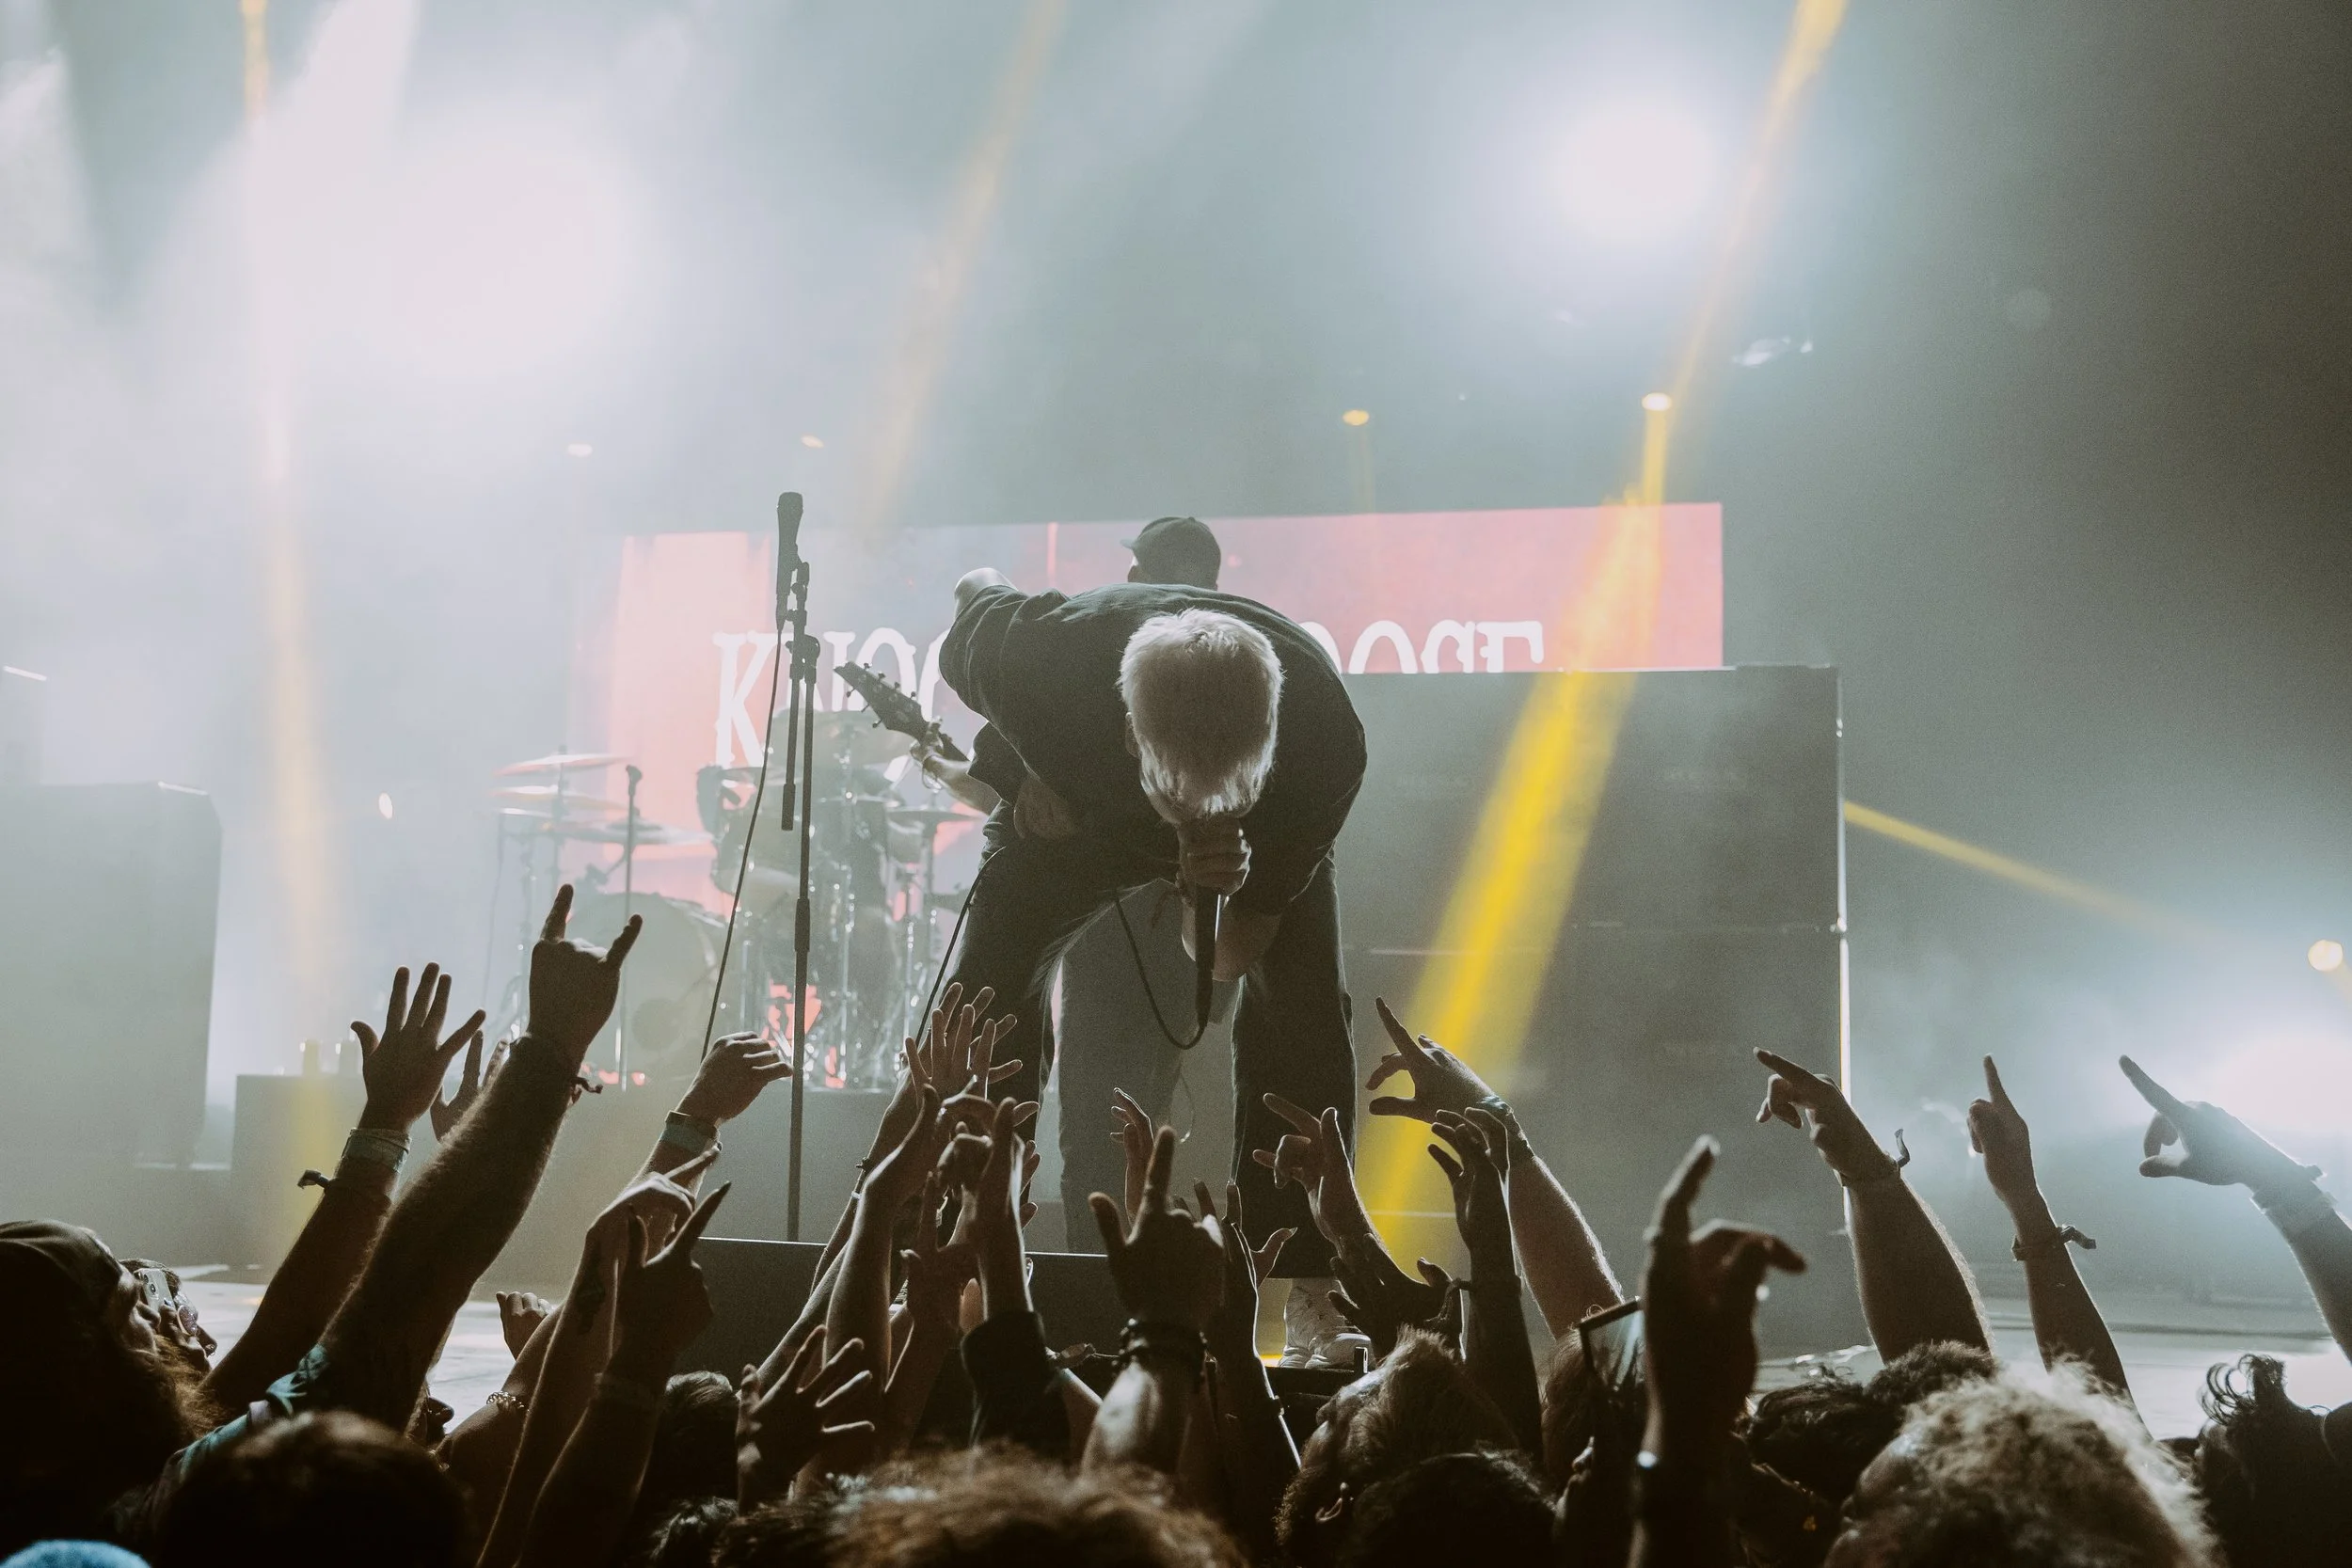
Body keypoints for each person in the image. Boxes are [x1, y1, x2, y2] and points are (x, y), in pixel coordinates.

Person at [935, 546, 1367, 1362]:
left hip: (1246, 844)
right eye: (1180, 796)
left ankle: (1309, 1283)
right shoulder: (1039, 661)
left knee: (1307, 1012)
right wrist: (1029, 766)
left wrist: (1211, 890)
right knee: (983, 994)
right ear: (1128, 732)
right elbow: (975, 584)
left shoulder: (1322, 748)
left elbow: (1223, 964)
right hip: (1087, 810)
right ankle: (968, 1253)